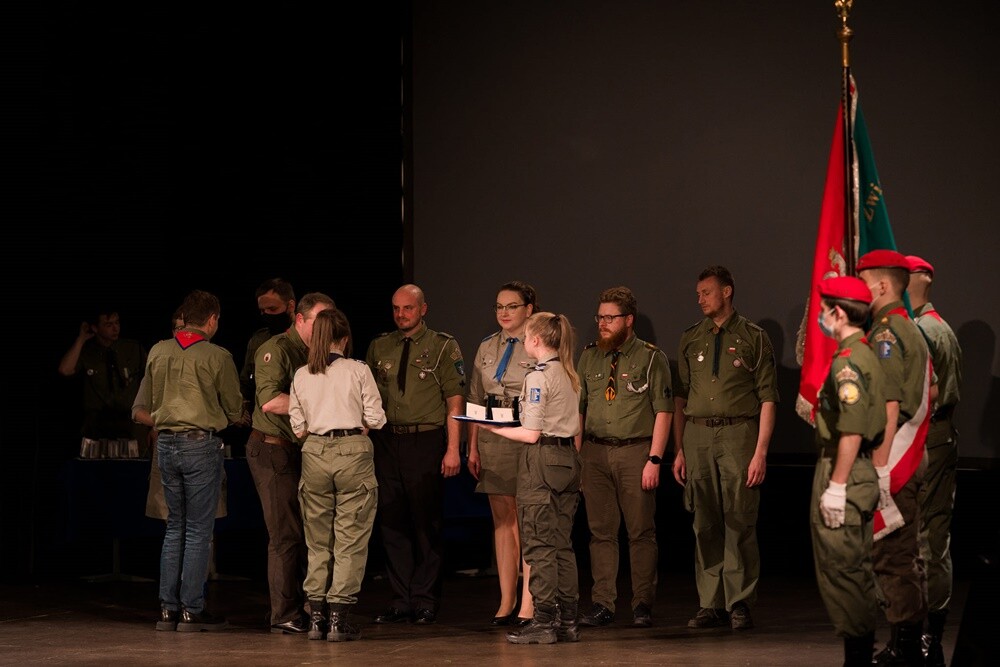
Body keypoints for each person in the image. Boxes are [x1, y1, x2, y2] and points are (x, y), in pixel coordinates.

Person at [671, 265, 778, 631]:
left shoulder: (754, 337)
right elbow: (681, 397)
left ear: (727, 292)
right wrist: (679, 449)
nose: (700, 299)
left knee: (739, 518)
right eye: (698, 293)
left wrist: (761, 451)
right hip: (697, 436)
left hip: (738, 435)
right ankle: (710, 602)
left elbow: (767, 397)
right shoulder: (690, 338)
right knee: (704, 520)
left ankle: (739, 601)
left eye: (707, 292)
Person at [141, 289, 242, 632]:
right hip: (200, 444)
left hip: (166, 444)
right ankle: (191, 609)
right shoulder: (217, 356)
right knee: (199, 530)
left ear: (184, 317)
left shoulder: (158, 350)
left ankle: (168, 609)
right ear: (212, 320)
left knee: (175, 527)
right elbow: (231, 407)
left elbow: (149, 401)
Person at [480, 312, 582, 645]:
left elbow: (532, 433)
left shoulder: (538, 377)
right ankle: (568, 619)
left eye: (526, 337)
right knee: (562, 545)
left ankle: (543, 621)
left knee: (539, 544)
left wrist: (492, 428)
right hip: (568, 459)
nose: (524, 342)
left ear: (536, 340)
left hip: (543, 461)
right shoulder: (568, 372)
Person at [365, 284, 465, 625]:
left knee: (426, 522)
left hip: (425, 440)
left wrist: (453, 448)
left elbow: (455, 400)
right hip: (387, 440)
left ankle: (425, 598)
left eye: (407, 308)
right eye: (395, 308)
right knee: (392, 522)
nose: (400, 315)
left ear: (423, 309)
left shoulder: (442, 346)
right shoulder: (380, 345)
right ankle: (400, 599)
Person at [576, 286, 672, 628]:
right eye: (600, 317)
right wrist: (578, 458)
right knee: (600, 532)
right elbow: (580, 411)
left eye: (610, 317)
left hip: (635, 452)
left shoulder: (650, 357)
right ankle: (603, 603)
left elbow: (663, 411)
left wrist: (655, 459)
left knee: (640, 532)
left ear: (628, 320)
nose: (602, 323)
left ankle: (642, 603)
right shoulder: (588, 357)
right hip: (595, 452)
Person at [288, 308, 386, 642]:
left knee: (317, 541)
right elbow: (376, 416)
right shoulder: (357, 370)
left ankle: (315, 618)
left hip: (314, 452)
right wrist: (363, 425)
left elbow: (297, 426)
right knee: (350, 537)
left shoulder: (302, 374)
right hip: (352, 451)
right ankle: (338, 619)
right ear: (344, 338)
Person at [856, 249, 932, 666]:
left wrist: (881, 467)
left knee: (893, 556)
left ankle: (905, 650)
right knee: (899, 555)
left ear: (882, 286)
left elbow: (887, 403)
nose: (858, 289)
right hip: (901, 455)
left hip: (894, 459)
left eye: (864, 280)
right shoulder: (906, 328)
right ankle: (905, 644)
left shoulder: (887, 333)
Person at [246, 292, 337, 635]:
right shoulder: (277, 350)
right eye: (319, 320)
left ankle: (307, 607)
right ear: (299, 319)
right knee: (285, 535)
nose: (326, 327)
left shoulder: (320, 352)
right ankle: (283, 613)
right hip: (273, 449)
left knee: (309, 532)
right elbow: (269, 400)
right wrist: (325, 407)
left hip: (302, 451)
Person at [809, 276, 885, 666]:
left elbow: (852, 427)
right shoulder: (866, 352)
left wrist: (836, 485)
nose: (821, 318)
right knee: (853, 567)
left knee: (844, 570)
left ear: (838, 313)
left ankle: (858, 659)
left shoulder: (849, 360)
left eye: (823, 311)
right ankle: (860, 654)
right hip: (858, 470)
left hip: (845, 470)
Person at [466, 280, 538, 627]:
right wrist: (473, 444)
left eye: (511, 306)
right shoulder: (486, 347)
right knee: (502, 520)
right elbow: (476, 398)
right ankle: (506, 599)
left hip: (524, 430)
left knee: (527, 521)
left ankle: (529, 602)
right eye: (499, 306)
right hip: (492, 434)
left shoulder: (538, 343)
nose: (504, 313)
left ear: (529, 309)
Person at [135, 309, 227, 561]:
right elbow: (138, 410)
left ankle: (192, 594)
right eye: (178, 329)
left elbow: (228, 405)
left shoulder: (213, 359)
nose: (183, 334)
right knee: (177, 528)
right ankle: (180, 598)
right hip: (172, 444)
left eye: (187, 328)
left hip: (201, 444)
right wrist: (173, 421)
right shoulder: (162, 359)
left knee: (199, 529)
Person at [907, 254, 963, 667]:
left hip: (925, 438)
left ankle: (923, 632)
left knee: (926, 539)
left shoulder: (924, 331)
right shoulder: (936, 328)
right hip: (933, 436)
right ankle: (924, 631)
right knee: (928, 537)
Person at [58, 307, 149, 454]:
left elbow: (150, 381)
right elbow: (65, 369)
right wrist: (81, 339)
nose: (115, 328)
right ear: (95, 327)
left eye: (117, 323)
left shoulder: (132, 348)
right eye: (108, 324)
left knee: (132, 469)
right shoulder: (88, 351)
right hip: (97, 427)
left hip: (130, 425)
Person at [239, 278, 297, 423]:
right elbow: (246, 381)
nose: (267, 315)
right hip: (265, 425)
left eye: (272, 309)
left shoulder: (308, 338)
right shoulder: (258, 340)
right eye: (262, 311)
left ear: (290, 306)